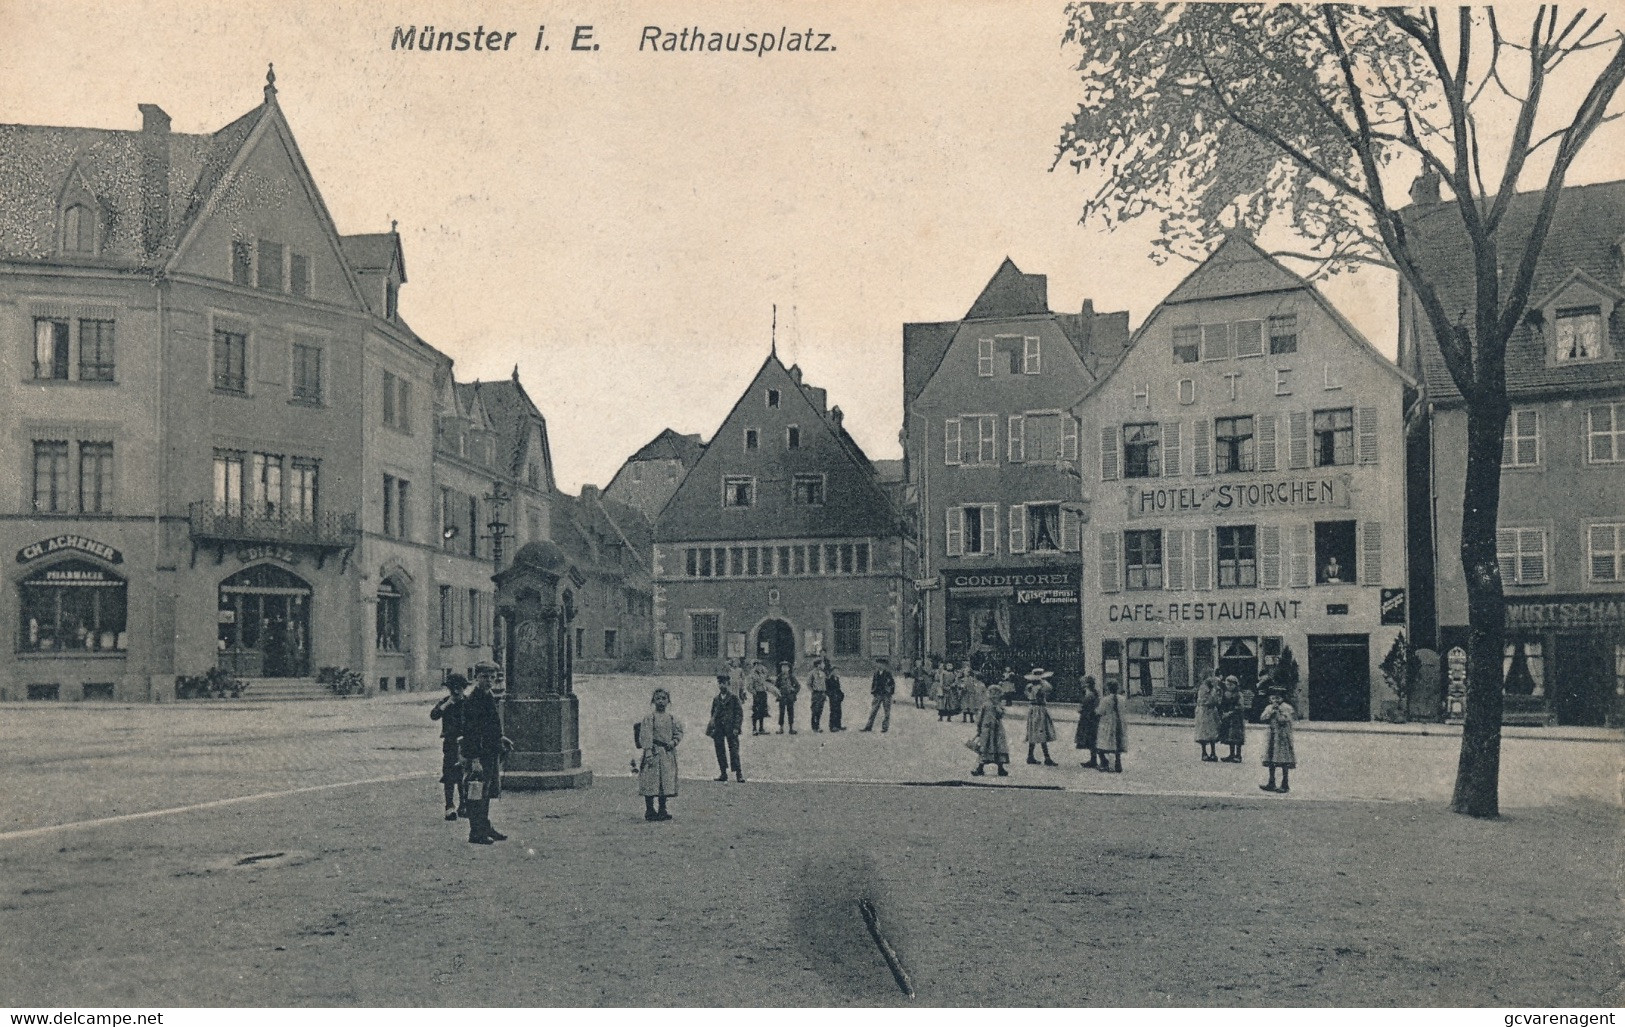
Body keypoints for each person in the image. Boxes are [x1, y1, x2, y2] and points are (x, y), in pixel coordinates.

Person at [460, 661, 510, 844]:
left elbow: (491, 725)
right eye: (484, 677)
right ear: (476, 678)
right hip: (478, 754)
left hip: (489, 751)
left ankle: (484, 826)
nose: (489, 681)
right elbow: (471, 732)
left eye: (492, 677)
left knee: (486, 791)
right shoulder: (474, 699)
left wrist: (501, 738)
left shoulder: (487, 695)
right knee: (477, 791)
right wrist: (474, 759)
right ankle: (476, 832)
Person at [636, 687, 683, 820]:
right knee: (650, 781)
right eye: (658, 699)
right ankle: (650, 809)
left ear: (668, 701)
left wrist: (673, 742)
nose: (661, 701)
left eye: (664, 698)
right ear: (653, 701)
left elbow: (678, 733)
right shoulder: (649, 718)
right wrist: (648, 751)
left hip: (667, 754)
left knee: (665, 782)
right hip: (653, 753)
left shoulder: (672, 718)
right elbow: (646, 735)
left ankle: (663, 809)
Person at [430, 674, 468, 820]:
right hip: (450, 741)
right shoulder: (446, 702)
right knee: (449, 773)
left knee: (463, 774)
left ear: (463, 688)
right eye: (453, 689)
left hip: (466, 742)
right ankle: (449, 805)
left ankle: (464, 804)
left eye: (459, 689)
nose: (456, 692)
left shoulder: (468, 702)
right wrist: (446, 705)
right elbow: (434, 715)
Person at [707, 675, 745, 783]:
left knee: (734, 750)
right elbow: (713, 713)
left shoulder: (734, 698)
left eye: (724, 683)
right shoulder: (716, 699)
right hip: (719, 728)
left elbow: (739, 714)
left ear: (728, 684)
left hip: (731, 728)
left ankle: (739, 773)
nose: (721, 685)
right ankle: (723, 773)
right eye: (720, 683)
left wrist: (737, 727)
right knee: (720, 750)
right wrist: (713, 727)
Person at [1259, 687, 1296, 793]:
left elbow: (1283, 720)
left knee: (1284, 759)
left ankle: (1285, 783)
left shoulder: (1287, 708)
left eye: (1278, 698)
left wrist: (1278, 711)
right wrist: (1270, 712)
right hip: (1272, 736)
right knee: (1271, 759)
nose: (1275, 700)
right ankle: (1271, 782)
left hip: (1283, 737)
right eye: (1273, 698)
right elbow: (1263, 718)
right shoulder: (1269, 707)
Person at [970, 679, 1010, 776]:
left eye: (996, 693)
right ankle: (980, 768)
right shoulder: (985, 705)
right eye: (993, 693)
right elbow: (980, 717)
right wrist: (979, 728)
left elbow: (1001, 715)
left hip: (996, 729)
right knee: (985, 747)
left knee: (998, 747)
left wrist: (998, 708)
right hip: (987, 729)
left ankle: (1000, 768)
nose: (994, 695)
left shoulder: (998, 705)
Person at [1023, 668, 1058, 766]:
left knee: (1033, 732)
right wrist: (1043, 680)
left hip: (1032, 709)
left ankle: (1030, 756)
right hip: (1040, 709)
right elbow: (1049, 689)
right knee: (1042, 732)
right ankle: (1047, 758)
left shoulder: (1029, 686)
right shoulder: (1041, 687)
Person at [1095, 679, 1127, 773]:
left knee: (1102, 743)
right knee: (1117, 743)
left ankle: (1104, 763)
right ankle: (1118, 763)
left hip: (1107, 723)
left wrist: (1096, 711)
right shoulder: (1122, 699)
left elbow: (1100, 711)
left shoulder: (1105, 700)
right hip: (1119, 722)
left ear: (1108, 688)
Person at [862, 656, 896, 732]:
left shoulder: (888, 674)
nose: (879, 666)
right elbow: (874, 683)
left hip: (886, 695)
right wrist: (873, 691)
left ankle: (885, 727)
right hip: (877, 694)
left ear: (884, 665)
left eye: (880, 664)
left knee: (886, 712)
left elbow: (892, 684)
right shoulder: (876, 673)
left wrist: (890, 692)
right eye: (878, 664)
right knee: (873, 711)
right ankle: (868, 727)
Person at [1194, 672, 1222, 762]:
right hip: (1204, 711)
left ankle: (1213, 752)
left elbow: (1217, 700)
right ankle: (1204, 752)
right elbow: (1204, 700)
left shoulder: (1216, 688)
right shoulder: (1203, 688)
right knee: (1204, 732)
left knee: (1213, 732)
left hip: (1212, 712)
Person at [1074, 675, 1101, 768]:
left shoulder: (1089, 695)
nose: (1082, 685)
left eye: (1083, 683)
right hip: (1092, 718)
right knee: (1092, 739)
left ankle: (1097, 760)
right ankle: (1094, 760)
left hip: (1088, 719)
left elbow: (1084, 707)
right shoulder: (1094, 693)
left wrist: (1080, 709)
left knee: (1091, 739)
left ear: (1087, 684)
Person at [1219, 676, 1247, 762]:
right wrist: (1223, 712)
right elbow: (1222, 704)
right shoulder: (1225, 693)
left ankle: (1238, 755)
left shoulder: (1238, 694)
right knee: (1230, 736)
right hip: (1228, 718)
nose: (1229, 686)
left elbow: (1241, 706)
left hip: (1236, 718)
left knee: (1237, 736)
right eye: (1227, 684)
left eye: (1231, 685)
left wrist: (1231, 712)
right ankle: (1231, 754)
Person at [775, 661, 799, 734]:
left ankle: (791, 728)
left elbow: (798, 686)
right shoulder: (779, 677)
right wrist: (778, 693)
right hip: (782, 697)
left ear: (789, 668)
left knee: (790, 712)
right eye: (783, 667)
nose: (784, 669)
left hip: (790, 696)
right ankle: (781, 728)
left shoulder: (792, 677)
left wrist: (794, 691)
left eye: (786, 667)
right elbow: (775, 687)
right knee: (781, 712)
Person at [748, 661, 771, 735]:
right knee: (756, 711)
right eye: (757, 665)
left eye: (760, 665)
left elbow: (767, 675)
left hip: (763, 693)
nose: (759, 667)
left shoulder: (762, 674)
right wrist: (754, 693)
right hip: (757, 693)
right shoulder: (752, 675)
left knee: (763, 710)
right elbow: (749, 687)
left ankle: (761, 728)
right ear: (754, 666)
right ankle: (754, 729)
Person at [824, 658, 846, 731]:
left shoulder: (837, 678)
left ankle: (838, 725)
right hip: (833, 697)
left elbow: (838, 688)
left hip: (838, 697)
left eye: (838, 671)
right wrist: (831, 695)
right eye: (835, 671)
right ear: (832, 671)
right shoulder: (829, 679)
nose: (837, 672)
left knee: (839, 711)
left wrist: (841, 695)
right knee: (833, 711)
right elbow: (827, 689)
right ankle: (832, 726)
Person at [808, 660, 828, 731]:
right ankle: (814, 726)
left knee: (820, 710)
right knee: (815, 710)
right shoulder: (812, 673)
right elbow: (809, 683)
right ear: (818, 665)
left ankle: (818, 725)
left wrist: (824, 693)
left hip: (822, 693)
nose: (823, 665)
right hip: (816, 693)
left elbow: (824, 683)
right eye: (822, 664)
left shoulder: (823, 673)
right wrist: (813, 691)